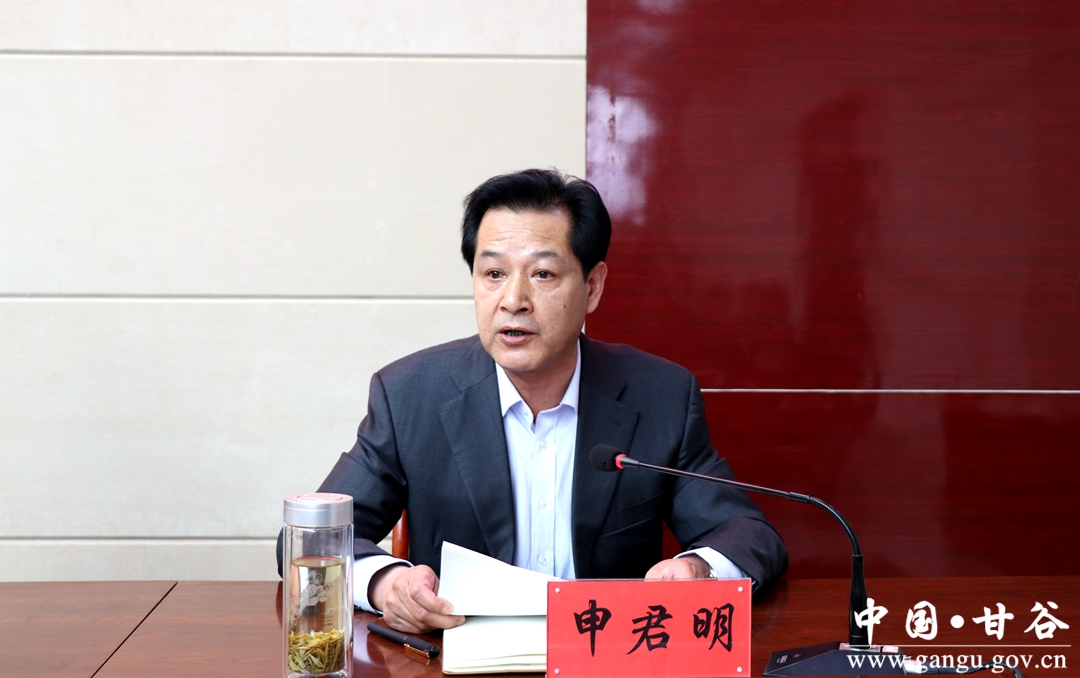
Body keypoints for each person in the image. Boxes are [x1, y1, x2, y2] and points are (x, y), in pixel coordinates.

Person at [278, 169, 787, 633]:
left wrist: (698, 569)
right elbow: (306, 541)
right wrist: (386, 583)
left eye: (542, 274)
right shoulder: (411, 394)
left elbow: (748, 535)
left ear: (592, 287)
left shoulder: (659, 395)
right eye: (493, 274)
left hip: (605, 653)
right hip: (458, 657)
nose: (513, 300)